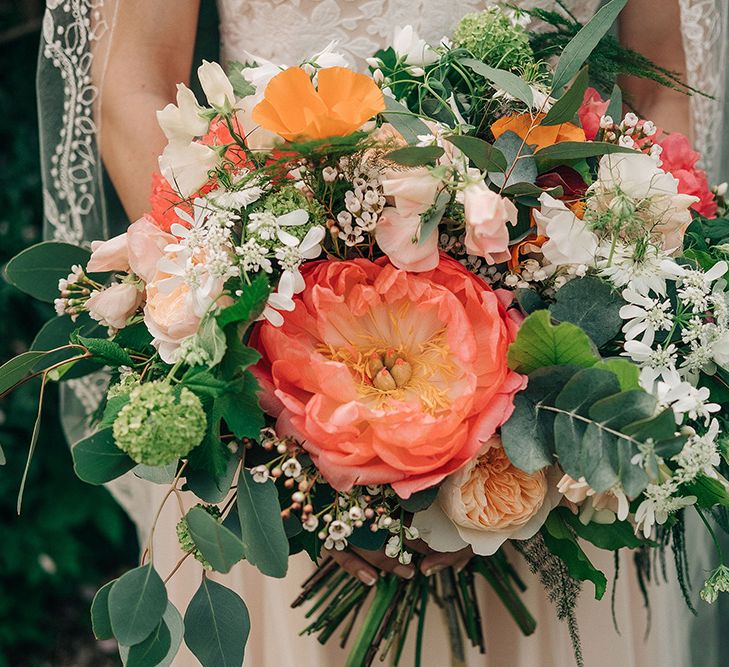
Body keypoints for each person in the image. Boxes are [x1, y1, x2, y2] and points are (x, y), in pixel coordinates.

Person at [37, 1, 728, 665]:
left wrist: (558, 391)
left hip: (555, 419)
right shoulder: (276, 423)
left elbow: (661, 79)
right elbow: (132, 88)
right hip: (275, 365)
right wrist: (275, 423)